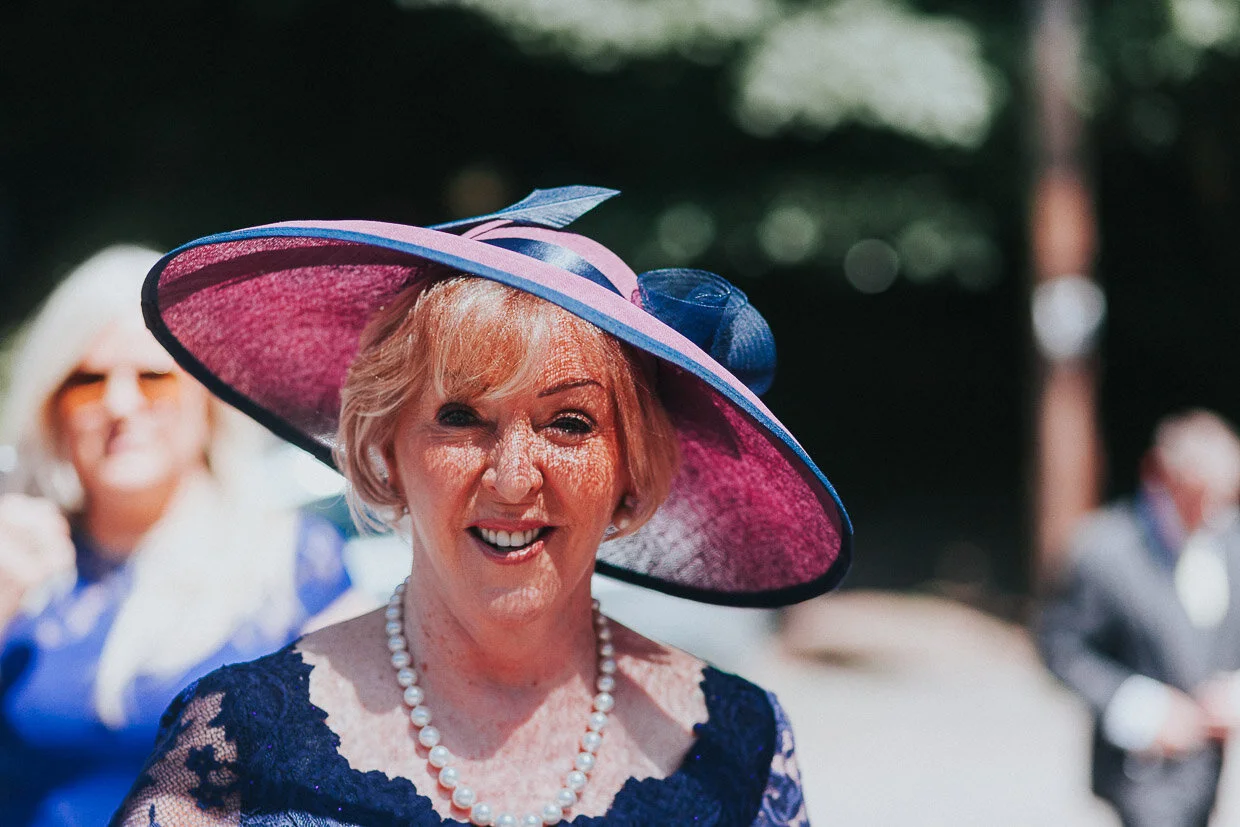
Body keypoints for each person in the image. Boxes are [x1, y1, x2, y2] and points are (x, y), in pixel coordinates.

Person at [109, 186, 851, 827]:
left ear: (630, 467)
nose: (513, 477)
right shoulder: (238, 735)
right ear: (387, 451)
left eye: (569, 423)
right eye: (462, 416)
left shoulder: (738, 742)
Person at [0, 246, 359, 826]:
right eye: (87, 381)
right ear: (51, 405)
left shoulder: (293, 563)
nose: (120, 404)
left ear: (208, 398)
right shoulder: (11, 554)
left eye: (153, 377)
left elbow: (354, 778)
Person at [1038, 409, 1240, 827]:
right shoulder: (1103, 550)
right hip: (1140, 772)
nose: (1209, 513)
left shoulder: (1229, 542)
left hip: (1213, 769)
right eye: (1198, 495)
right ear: (1164, 476)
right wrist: (1140, 705)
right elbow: (1059, 645)